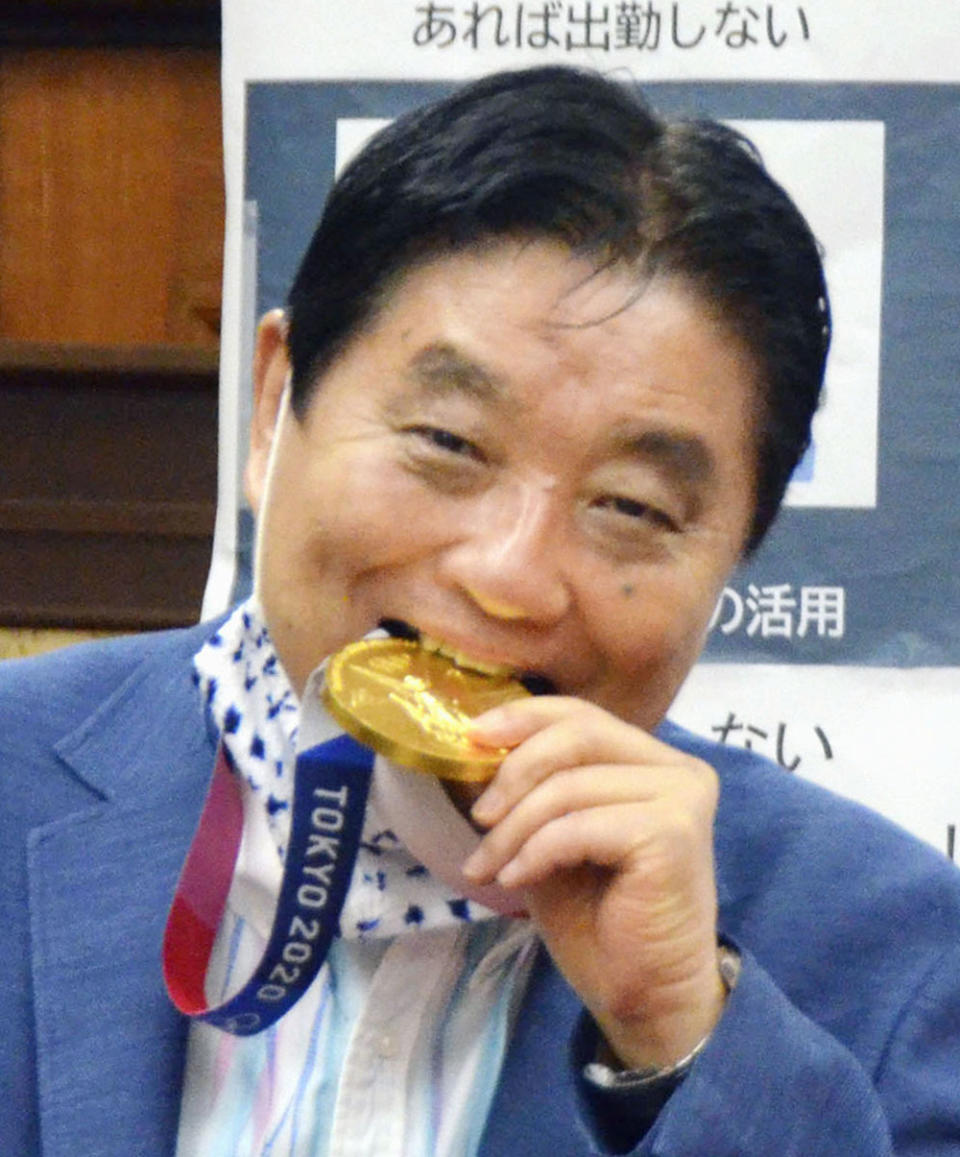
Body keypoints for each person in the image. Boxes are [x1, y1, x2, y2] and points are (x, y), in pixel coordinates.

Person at [2, 65, 958, 1157]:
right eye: (449, 443)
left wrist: (685, 1039)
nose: (509, 573)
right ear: (272, 407)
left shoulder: (900, 953)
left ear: (735, 553)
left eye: (633, 506)